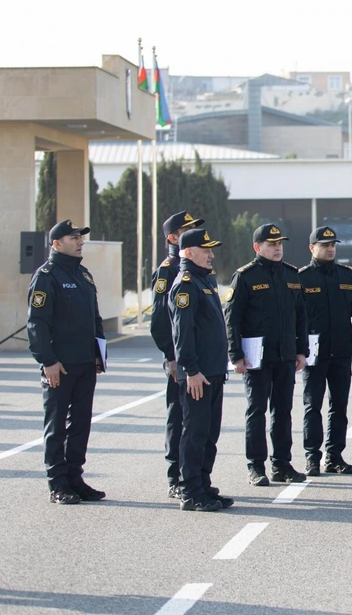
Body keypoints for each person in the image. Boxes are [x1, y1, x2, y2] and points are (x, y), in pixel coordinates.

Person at [27, 219, 106, 505]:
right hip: (59, 365)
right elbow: (37, 323)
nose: (80, 241)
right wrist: (47, 361)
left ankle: (75, 477)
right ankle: (58, 483)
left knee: (81, 423)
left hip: (85, 363)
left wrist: (99, 354)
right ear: (57, 243)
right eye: (74, 238)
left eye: (80, 237)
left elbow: (94, 318)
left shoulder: (84, 274)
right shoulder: (46, 276)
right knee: (57, 424)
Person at [224, 223, 309, 487]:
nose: (277, 248)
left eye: (280, 244)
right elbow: (232, 318)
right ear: (257, 247)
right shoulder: (245, 276)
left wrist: (301, 350)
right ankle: (255, 466)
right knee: (256, 411)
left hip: (284, 355)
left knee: (283, 411)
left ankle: (282, 464)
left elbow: (301, 316)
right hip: (255, 357)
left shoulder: (292, 275)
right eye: (272, 245)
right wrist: (235, 354)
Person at [169, 228, 234, 511]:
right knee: (194, 434)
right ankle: (191, 490)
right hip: (198, 374)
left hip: (212, 370)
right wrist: (191, 370)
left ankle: (204, 485)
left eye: (211, 250)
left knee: (209, 433)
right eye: (205, 250)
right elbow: (183, 334)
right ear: (188, 253)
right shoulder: (185, 285)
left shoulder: (203, 281)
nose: (211, 255)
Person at [299, 226, 352, 477]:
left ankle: (334, 456)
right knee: (312, 407)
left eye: (333, 245)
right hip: (313, 355)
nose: (330, 249)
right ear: (312, 248)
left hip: (340, 352)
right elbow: (296, 318)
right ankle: (312, 457)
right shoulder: (302, 277)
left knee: (339, 406)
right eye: (324, 245)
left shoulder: (347, 276)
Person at [149, 210, 205, 499]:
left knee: (195, 420)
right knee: (178, 416)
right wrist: (172, 357)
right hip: (179, 359)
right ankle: (176, 476)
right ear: (173, 237)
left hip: (196, 356)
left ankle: (193, 475)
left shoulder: (196, 265)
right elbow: (160, 320)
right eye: (188, 229)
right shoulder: (169, 269)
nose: (194, 231)